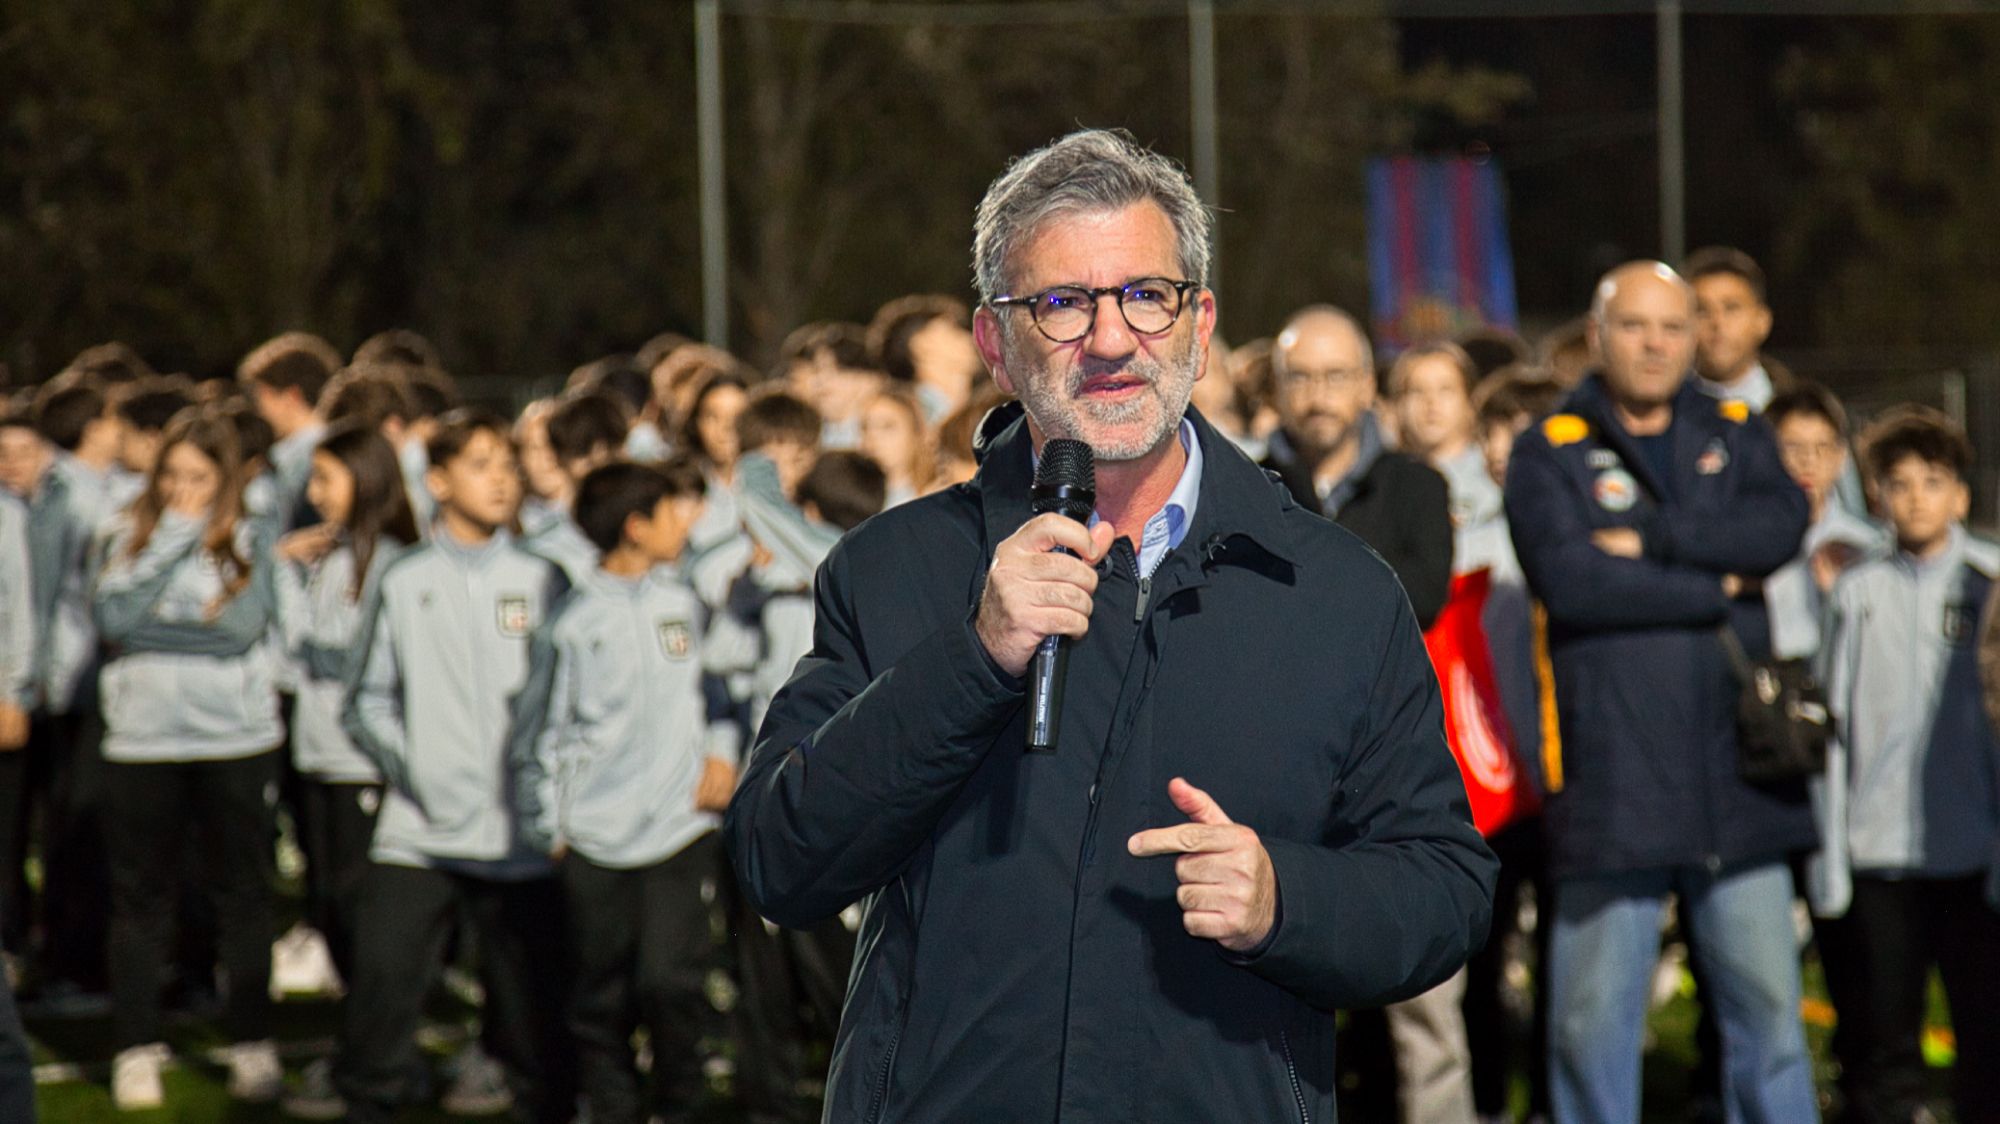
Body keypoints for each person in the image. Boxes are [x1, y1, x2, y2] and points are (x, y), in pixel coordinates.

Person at [725, 127, 1495, 1122]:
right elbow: (778, 861)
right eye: (1061, 303)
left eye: (1144, 294)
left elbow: (1443, 884)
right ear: (993, 342)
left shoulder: (1334, 588)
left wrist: (1284, 899)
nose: (1110, 337)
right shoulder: (894, 568)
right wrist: (974, 656)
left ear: (1198, 323)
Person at [1504, 261, 1817, 1123]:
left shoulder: (1738, 426)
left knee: (1772, 1025)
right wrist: (1715, 586)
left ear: (1694, 339)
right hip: (1617, 786)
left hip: (1737, 780)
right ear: (1599, 333)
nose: (1655, 344)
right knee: (1591, 1032)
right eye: (1635, 326)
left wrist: (1649, 540)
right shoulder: (1547, 445)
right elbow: (1572, 584)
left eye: (1672, 328)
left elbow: (1780, 527)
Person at [336, 409, 574, 1124]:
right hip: (419, 831)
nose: (502, 479)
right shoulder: (404, 578)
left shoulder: (545, 577)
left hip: (521, 839)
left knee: (539, 1026)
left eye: (508, 464)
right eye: (480, 465)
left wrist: (550, 806)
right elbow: (365, 700)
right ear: (437, 481)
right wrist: (419, 774)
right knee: (380, 999)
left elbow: (567, 707)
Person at [510, 459, 736, 1124]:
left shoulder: (686, 603)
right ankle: (609, 1105)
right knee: (600, 998)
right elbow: (538, 735)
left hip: (679, 828)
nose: (684, 523)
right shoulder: (571, 626)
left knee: (672, 984)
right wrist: (548, 828)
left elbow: (718, 693)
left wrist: (721, 754)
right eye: (672, 510)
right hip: (595, 841)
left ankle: (681, 1105)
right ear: (637, 527)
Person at [91, 410, 285, 1110]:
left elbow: (240, 629)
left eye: (199, 479)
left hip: (235, 738)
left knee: (243, 896)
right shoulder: (122, 531)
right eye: (171, 475)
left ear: (225, 480)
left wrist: (157, 630)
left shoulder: (254, 535)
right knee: (141, 899)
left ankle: (252, 1042)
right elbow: (111, 621)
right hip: (142, 741)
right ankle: (136, 1046)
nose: (182, 490)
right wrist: (174, 541)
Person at [1820, 408, 2000, 1124]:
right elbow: (1833, 730)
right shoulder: (1857, 593)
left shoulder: (1989, 589)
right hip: (1879, 856)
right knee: (1884, 1037)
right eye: (1900, 484)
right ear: (1877, 496)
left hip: (1970, 855)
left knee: (1984, 1034)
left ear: (1960, 495)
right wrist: (1835, 853)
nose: (1918, 497)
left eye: (1935, 482)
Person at [271, 421, 419, 1117]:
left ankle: (377, 1059)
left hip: (363, 766)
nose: (312, 492)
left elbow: (343, 659)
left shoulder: (388, 560)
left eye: (326, 477)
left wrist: (286, 591)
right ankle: (371, 1052)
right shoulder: (329, 557)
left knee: (365, 925)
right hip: (321, 758)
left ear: (365, 478)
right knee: (330, 909)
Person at [1260, 305, 1454, 628]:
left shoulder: (1417, 485)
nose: (1318, 397)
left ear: (1367, 385)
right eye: (1299, 377)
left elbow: (1423, 598)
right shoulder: (1247, 487)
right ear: (1276, 389)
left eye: (1335, 376)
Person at [1762, 383, 1887, 661]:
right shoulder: (1743, 542)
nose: (1809, 460)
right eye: (1792, 447)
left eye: (1823, 447)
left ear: (1841, 456)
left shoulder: (1869, 545)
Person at [240, 332, 340, 530]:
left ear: (292, 396)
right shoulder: (338, 443)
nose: (259, 410)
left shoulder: (297, 456)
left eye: (263, 398)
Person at [1684, 246, 1790, 413]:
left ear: (1762, 321)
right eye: (1702, 310)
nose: (1717, 322)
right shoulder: (1660, 414)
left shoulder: (1797, 412)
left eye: (1731, 308)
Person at [857, 384, 934, 509]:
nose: (872, 437)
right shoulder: (850, 496)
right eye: (865, 428)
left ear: (916, 434)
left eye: (887, 426)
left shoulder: (937, 496)